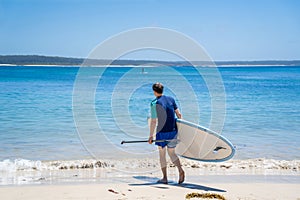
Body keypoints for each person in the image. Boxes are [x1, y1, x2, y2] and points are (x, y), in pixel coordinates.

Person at [148, 82, 185, 184]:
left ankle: (165, 178)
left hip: (162, 132)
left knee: (162, 155)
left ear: (154, 92)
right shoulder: (171, 99)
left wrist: (151, 136)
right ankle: (181, 171)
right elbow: (179, 114)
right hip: (173, 131)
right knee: (172, 153)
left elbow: (154, 121)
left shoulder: (155, 103)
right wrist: (181, 130)